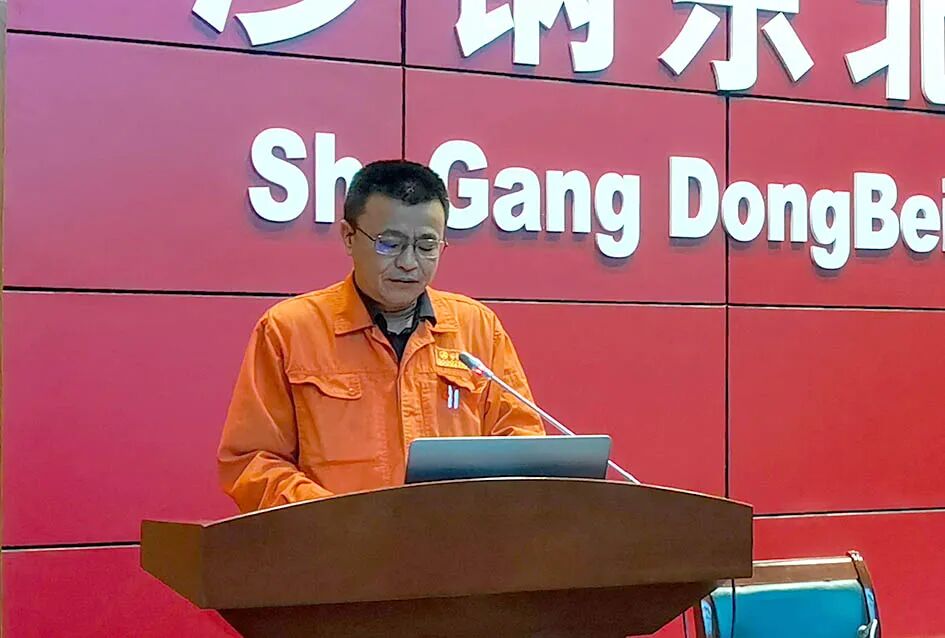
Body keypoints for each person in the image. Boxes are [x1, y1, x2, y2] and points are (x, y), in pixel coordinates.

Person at [217, 160, 545, 512]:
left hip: (455, 539)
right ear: (349, 237)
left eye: (426, 246)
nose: (409, 262)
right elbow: (252, 462)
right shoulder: (289, 330)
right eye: (390, 244)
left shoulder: (477, 328)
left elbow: (522, 445)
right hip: (333, 540)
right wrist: (337, 517)